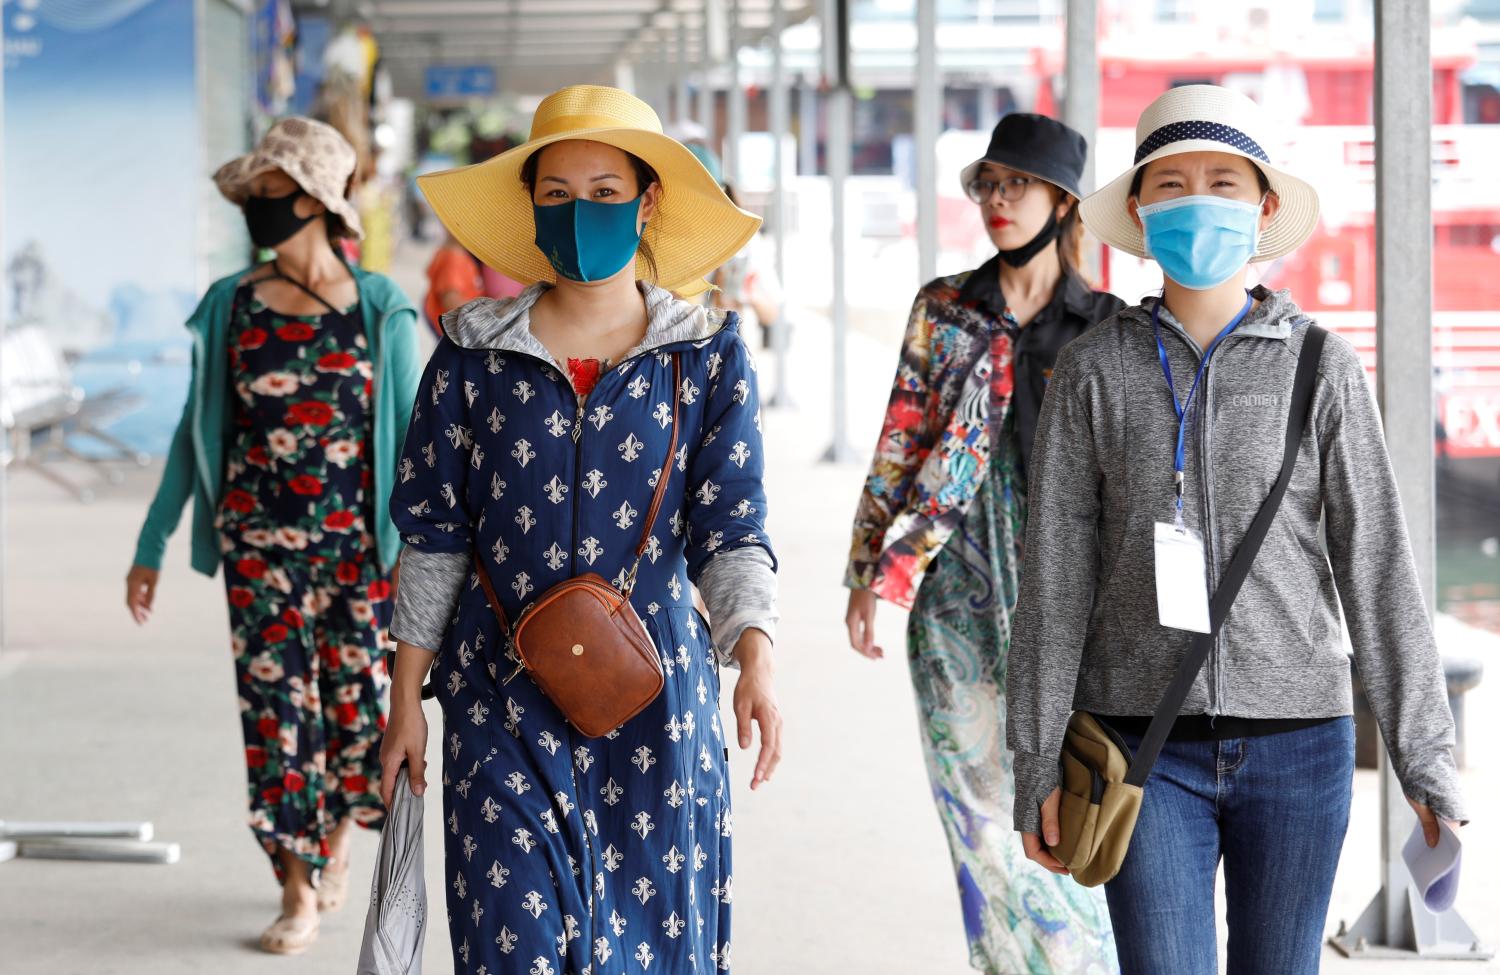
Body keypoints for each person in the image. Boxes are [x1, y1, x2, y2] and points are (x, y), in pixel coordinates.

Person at [1007, 85, 1469, 974]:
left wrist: (1426, 762)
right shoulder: (1091, 371)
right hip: (1136, 746)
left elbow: (1377, 568)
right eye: (1172, 183)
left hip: (1301, 749)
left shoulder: (1322, 367)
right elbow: (1055, 582)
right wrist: (1035, 767)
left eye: (1222, 181)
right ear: (1139, 211)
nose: (1197, 200)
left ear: (1262, 208)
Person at [380, 84, 784, 974]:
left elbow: (731, 526)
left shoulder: (705, 353)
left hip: (656, 704)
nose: (580, 212)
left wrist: (753, 652)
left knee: (651, 952)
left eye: (605, 192)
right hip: (497, 696)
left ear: (647, 204)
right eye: (557, 194)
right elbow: (435, 536)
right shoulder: (469, 354)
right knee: (510, 945)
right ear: (531, 209)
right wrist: (405, 697)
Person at [124, 117, 423, 956]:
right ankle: (294, 886)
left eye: (269, 195)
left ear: (315, 201)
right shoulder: (232, 305)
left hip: (360, 560)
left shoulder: (379, 307)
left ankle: (330, 852)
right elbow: (197, 431)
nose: (256, 210)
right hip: (258, 557)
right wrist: (151, 546)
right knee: (277, 720)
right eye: (252, 197)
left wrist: (420, 563)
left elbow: (414, 446)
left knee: (354, 716)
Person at [843, 114, 1123, 973]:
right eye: (989, 185)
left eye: (1018, 185)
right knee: (976, 818)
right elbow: (899, 441)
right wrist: (867, 570)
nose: (998, 201)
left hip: (1065, 603)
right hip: (953, 589)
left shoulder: (1106, 327)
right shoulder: (945, 308)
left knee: (1064, 814)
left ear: (1063, 201)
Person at [423, 229, 484, 337]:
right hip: (454, 328)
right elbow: (450, 300)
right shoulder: (454, 259)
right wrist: (482, 313)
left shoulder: (456, 254)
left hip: (453, 325)